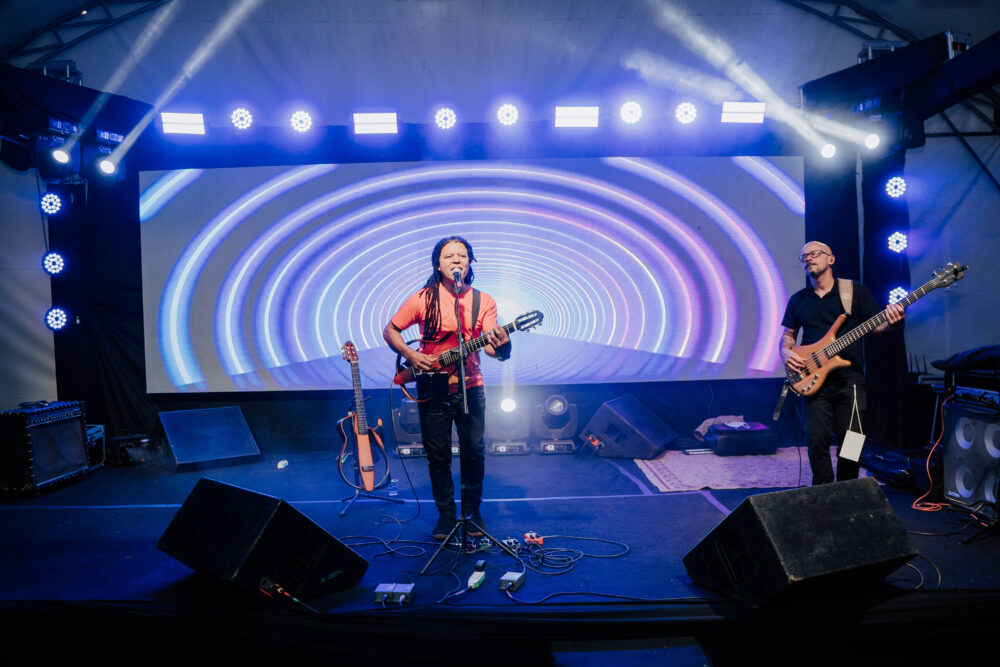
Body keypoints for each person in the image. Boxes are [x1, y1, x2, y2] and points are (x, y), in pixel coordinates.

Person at [383, 236, 511, 540]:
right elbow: (391, 330)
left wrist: (503, 345)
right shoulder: (422, 298)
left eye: (462, 256)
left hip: (470, 386)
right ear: (438, 264)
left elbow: (490, 347)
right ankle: (445, 516)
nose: (456, 260)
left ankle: (473, 513)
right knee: (438, 456)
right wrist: (412, 354)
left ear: (470, 263)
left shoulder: (483, 301)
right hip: (433, 387)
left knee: (473, 453)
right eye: (449, 256)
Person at [780, 241, 904, 485]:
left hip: (850, 381)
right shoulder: (798, 300)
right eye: (804, 256)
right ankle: (824, 491)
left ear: (831, 259)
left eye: (815, 253)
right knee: (816, 441)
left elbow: (877, 326)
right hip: (813, 380)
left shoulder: (854, 291)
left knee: (853, 441)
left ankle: (848, 489)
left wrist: (893, 323)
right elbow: (788, 335)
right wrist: (785, 353)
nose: (808, 258)